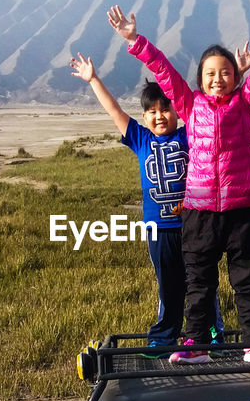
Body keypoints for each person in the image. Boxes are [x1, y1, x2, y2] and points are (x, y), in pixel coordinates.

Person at [107, 0, 250, 364]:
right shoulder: (188, 105)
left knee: (248, 281)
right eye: (210, 73)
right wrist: (135, 40)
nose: (218, 79)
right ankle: (197, 346)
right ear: (200, 80)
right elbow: (164, 71)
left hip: (240, 211)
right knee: (199, 283)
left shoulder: (245, 102)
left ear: (235, 77)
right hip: (199, 212)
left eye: (224, 72)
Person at [68, 54, 223, 354]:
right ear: (144, 117)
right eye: (152, 111)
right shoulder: (140, 139)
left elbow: (209, 108)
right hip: (159, 230)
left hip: (194, 226)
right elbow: (114, 111)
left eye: (166, 108)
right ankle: (164, 337)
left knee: (202, 283)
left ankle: (211, 335)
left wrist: (236, 72)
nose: (160, 115)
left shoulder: (190, 134)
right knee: (168, 286)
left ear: (178, 111)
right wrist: (93, 80)